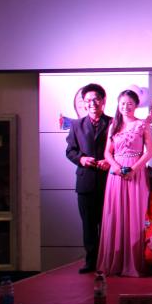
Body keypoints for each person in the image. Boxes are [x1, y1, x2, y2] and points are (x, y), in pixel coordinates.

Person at [98, 89, 152, 277]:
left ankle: (134, 262)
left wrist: (134, 169)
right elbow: (107, 152)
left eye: (130, 103)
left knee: (136, 215)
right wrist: (116, 168)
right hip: (116, 175)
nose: (126, 107)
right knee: (115, 214)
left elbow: (150, 152)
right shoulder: (114, 125)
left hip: (136, 173)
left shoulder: (142, 124)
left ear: (136, 105)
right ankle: (115, 262)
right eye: (122, 103)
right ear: (118, 105)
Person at [66, 83, 111, 273]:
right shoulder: (77, 125)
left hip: (109, 182)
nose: (92, 103)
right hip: (85, 182)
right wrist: (81, 159)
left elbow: (121, 149)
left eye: (96, 99)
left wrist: (110, 162)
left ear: (103, 101)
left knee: (108, 224)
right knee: (89, 224)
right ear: (84, 103)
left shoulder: (113, 123)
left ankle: (108, 260)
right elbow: (70, 151)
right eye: (88, 100)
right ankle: (91, 261)